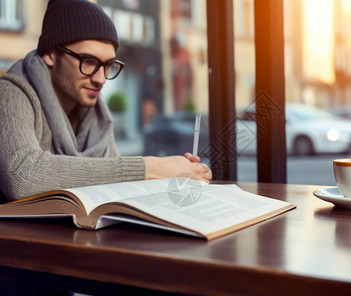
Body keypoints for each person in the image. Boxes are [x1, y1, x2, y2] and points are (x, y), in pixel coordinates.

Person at [0, 0, 212, 205]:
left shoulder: (96, 113)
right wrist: (153, 167)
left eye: (108, 65)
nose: (100, 79)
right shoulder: (10, 92)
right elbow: (23, 176)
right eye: (88, 61)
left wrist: (174, 173)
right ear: (50, 54)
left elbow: (113, 180)